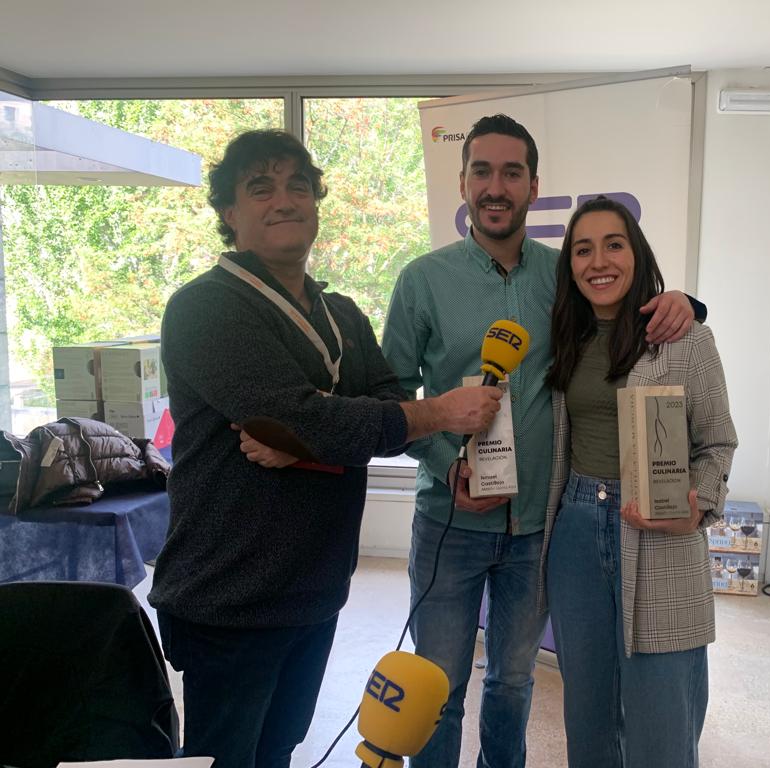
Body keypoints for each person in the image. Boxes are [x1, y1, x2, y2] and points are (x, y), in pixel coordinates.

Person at [148, 129, 501, 768]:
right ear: (228, 212)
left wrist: (317, 444)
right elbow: (300, 415)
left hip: (314, 585)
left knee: (279, 748)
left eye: (298, 186)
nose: (284, 200)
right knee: (226, 757)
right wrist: (428, 413)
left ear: (316, 203)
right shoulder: (204, 308)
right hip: (229, 591)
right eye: (261, 188)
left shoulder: (341, 314)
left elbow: (373, 404)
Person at [380, 114, 707, 768]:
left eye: (510, 172)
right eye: (481, 171)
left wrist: (687, 305)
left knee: (513, 682)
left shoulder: (565, 275)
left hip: (540, 529)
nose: (495, 186)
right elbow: (390, 400)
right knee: (437, 688)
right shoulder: (422, 280)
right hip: (449, 524)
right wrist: (447, 467)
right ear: (463, 182)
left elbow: (628, 306)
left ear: (533, 185)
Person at [541, 196, 737, 768]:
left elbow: (718, 442)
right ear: (570, 265)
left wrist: (698, 508)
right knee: (588, 714)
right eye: (582, 249)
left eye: (613, 244)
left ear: (636, 254)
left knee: (663, 719)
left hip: (661, 534)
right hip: (576, 531)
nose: (598, 261)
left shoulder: (684, 338)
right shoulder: (564, 338)